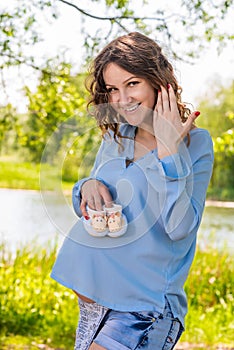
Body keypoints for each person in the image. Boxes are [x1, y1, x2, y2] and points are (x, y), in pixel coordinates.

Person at [51, 32, 214, 349]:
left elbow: (179, 227)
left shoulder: (197, 143)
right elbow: (94, 207)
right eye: (112, 89)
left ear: (158, 82)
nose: (122, 99)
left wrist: (169, 152)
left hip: (144, 307)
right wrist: (87, 186)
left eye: (132, 84)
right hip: (94, 302)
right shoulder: (116, 135)